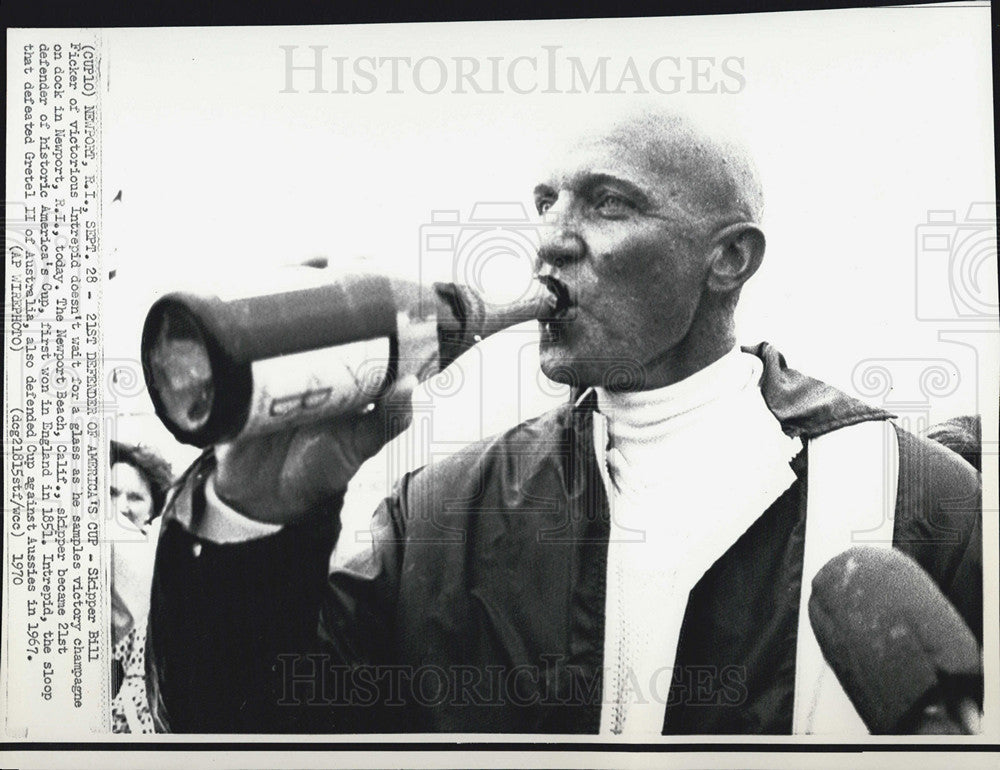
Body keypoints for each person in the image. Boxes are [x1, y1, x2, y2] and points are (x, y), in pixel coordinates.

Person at [146, 106, 982, 735]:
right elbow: (247, 731)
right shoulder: (439, 513)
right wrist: (247, 524)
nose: (550, 238)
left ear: (728, 258)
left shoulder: (920, 496)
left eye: (608, 204)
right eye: (546, 203)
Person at [110, 440, 174, 734]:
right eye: (111, 493)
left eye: (135, 497)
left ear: (152, 510)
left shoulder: (167, 563)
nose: (120, 507)